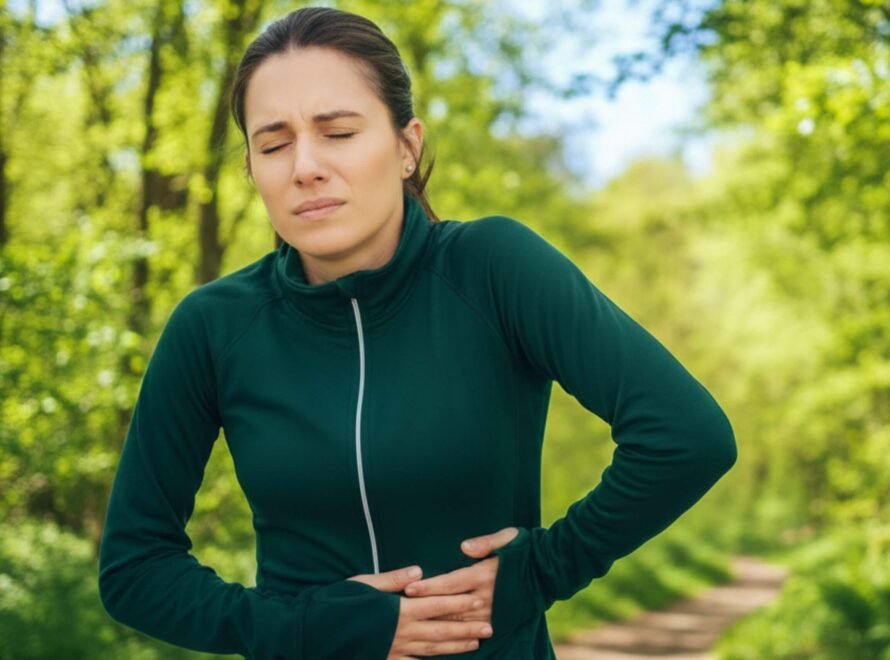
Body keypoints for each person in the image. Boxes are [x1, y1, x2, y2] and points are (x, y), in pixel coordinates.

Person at [97, 6, 737, 660]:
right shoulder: (213, 326)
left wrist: (540, 571)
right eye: (274, 143)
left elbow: (686, 437)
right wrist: (306, 627)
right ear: (253, 167)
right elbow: (134, 567)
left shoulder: (493, 269)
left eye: (338, 132)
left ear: (407, 147)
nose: (305, 166)